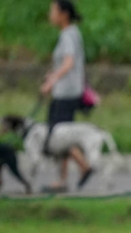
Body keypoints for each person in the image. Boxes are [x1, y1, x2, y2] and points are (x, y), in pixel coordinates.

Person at [41, 0, 93, 192]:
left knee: (57, 136)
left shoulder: (68, 35)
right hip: (68, 91)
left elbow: (69, 63)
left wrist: (52, 81)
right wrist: (53, 76)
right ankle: (78, 168)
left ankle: (72, 173)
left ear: (63, 14)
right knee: (59, 135)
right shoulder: (71, 33)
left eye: (53, 11)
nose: (50, 15)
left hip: (65, 94)